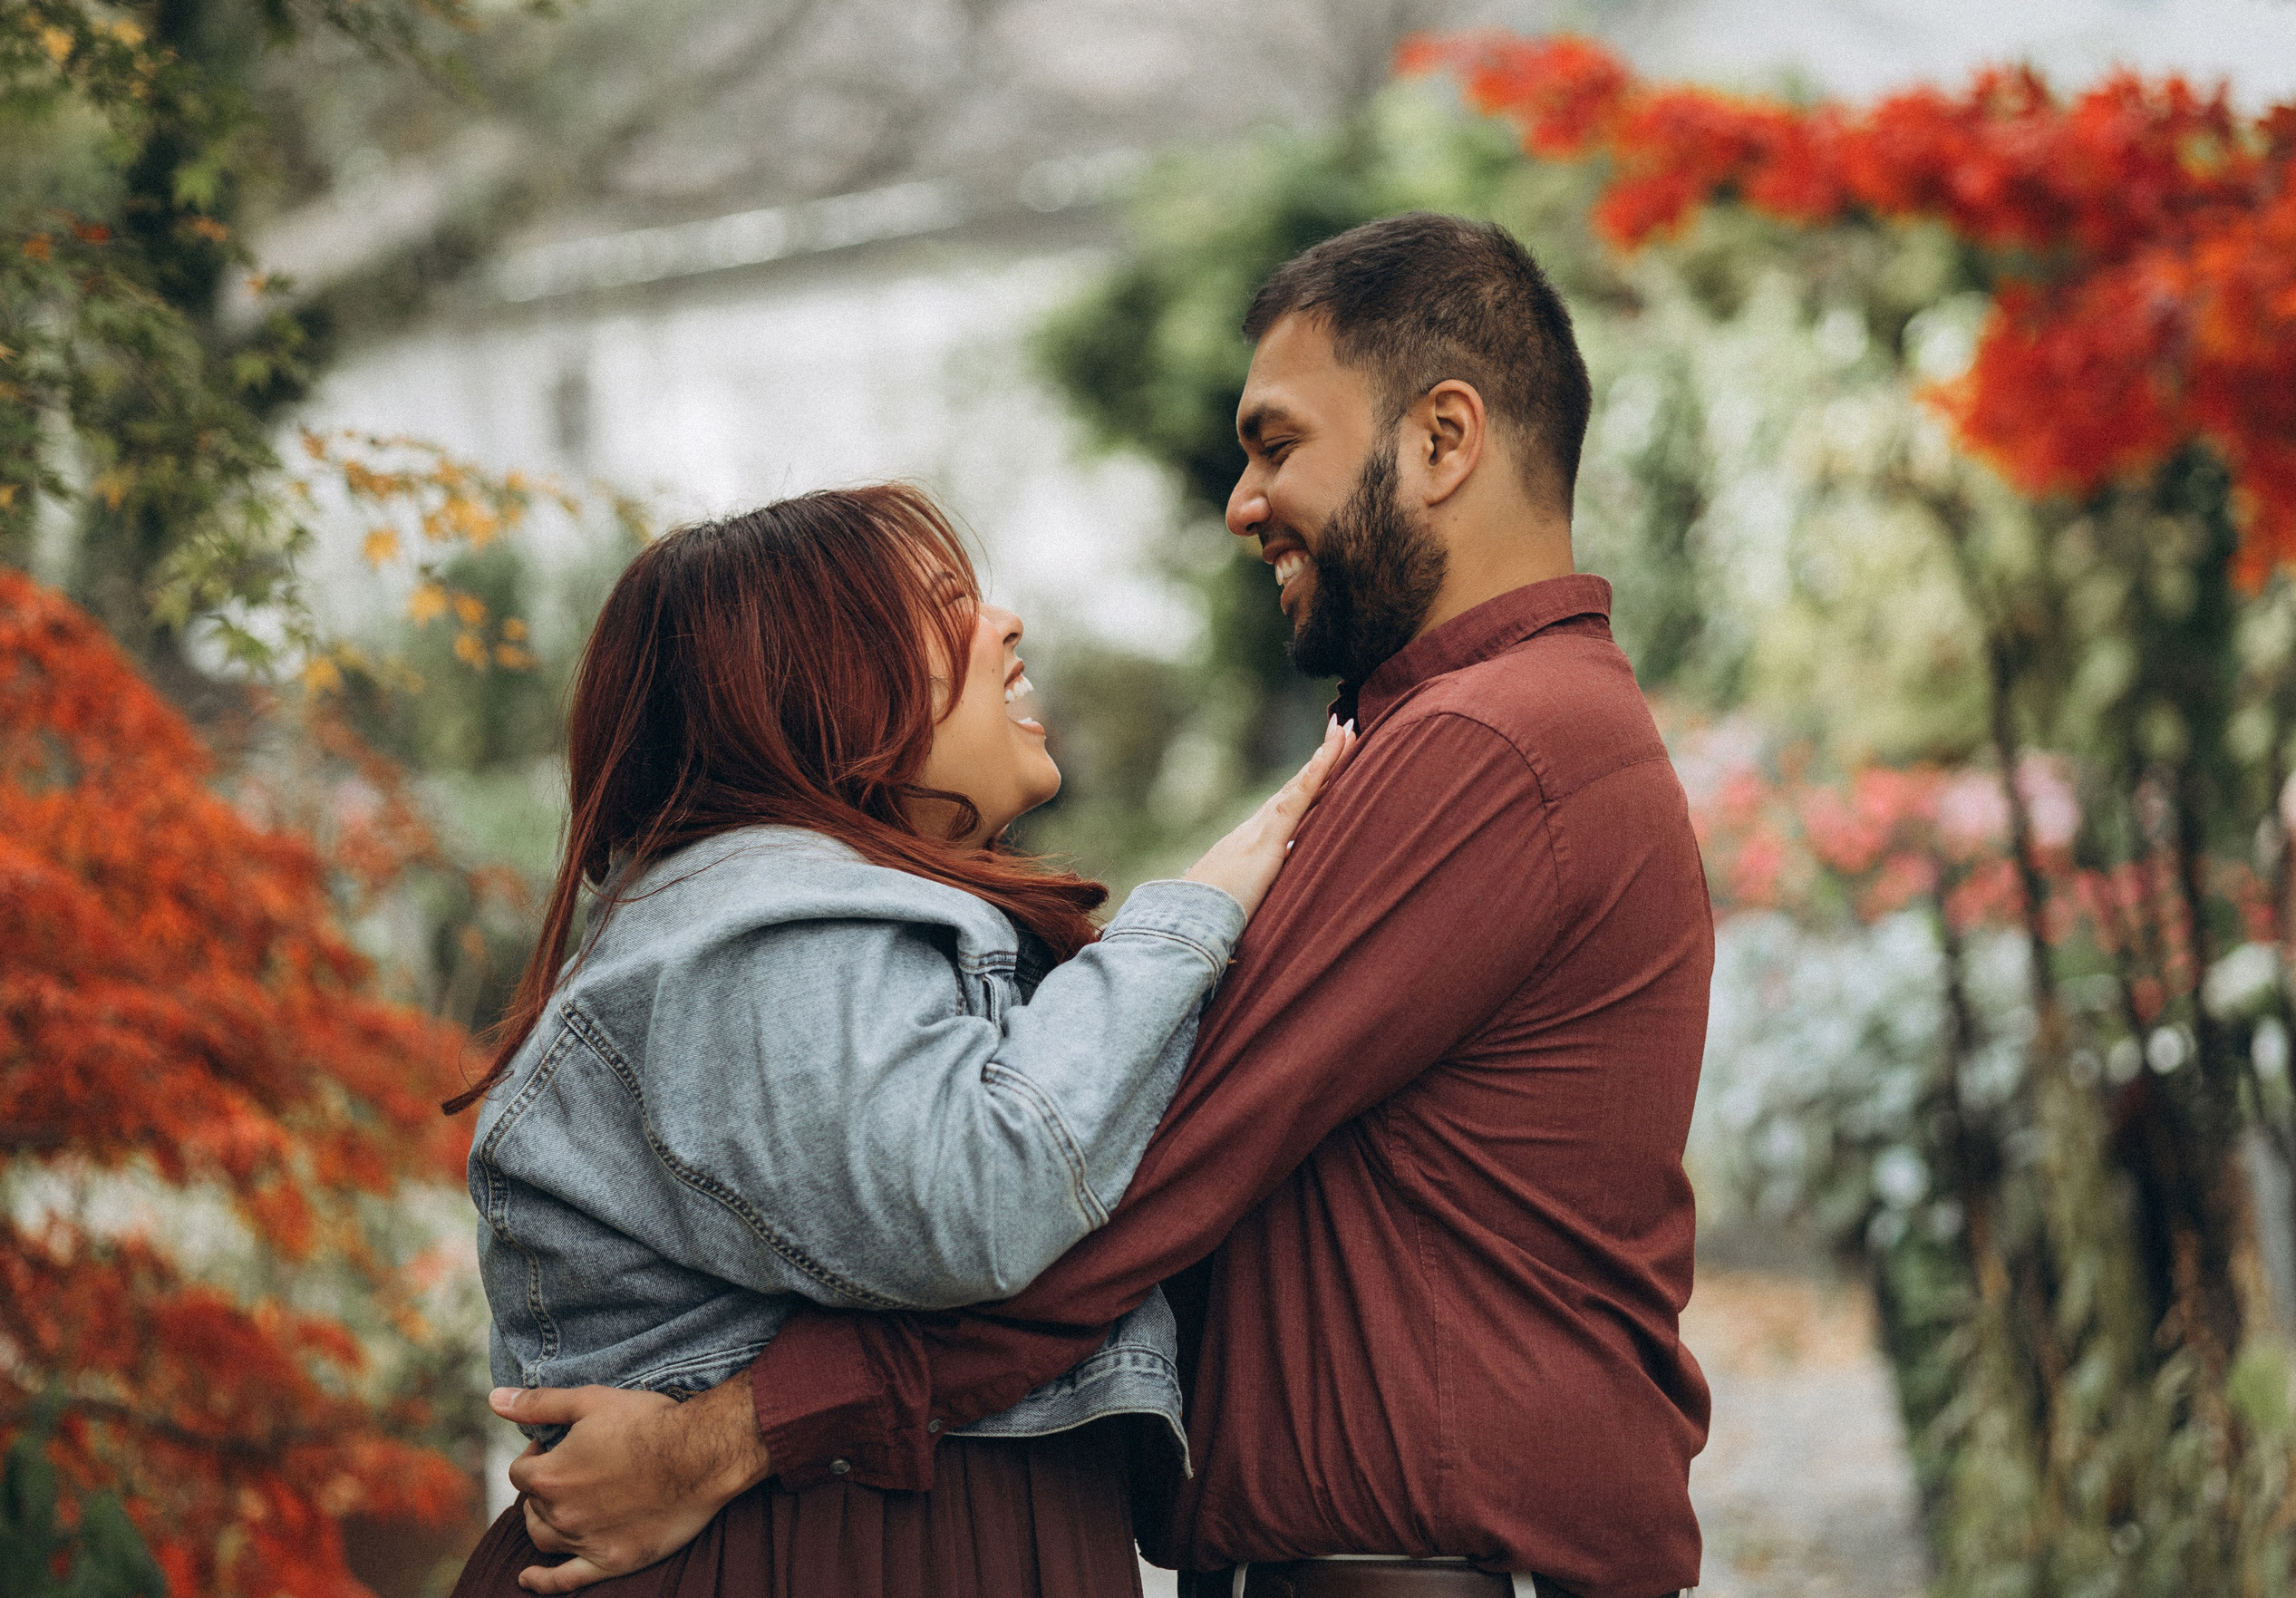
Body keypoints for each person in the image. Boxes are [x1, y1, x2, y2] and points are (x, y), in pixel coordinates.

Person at [493, 213, 1715, 1598]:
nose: (1243, 503)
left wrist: (731, 1434)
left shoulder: (1489, 745)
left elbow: (1120, 1189)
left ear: (1443, 441)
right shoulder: (1469, 731)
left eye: (1274, 443)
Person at [443, 483, 1358, 1598]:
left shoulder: (821, 932)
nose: (1006, 623)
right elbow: (979, 1195)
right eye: (943, 607)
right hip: (820, 1548)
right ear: (817, 684)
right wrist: (1190, 913)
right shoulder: (755, 933)